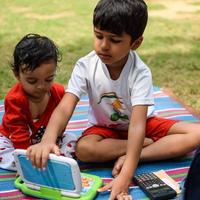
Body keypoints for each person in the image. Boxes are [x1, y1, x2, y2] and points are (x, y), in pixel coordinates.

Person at [27, 0, 200, 199]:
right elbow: (65, 107)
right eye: (98, 35)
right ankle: (147, 145)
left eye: (115, 40)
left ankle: (137, 153)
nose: (104, 46)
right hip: (105, 130)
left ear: (135, 43)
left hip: (142, 125)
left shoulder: (140, 73)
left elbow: (137, 125)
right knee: (83, 149)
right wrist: (48, 140)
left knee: (197, 133)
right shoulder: (85, 65)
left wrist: (127, 171)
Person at [0, 34, 76, 171]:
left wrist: (53, 141)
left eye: (48, 79)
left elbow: (60, 125)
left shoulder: (57, 92)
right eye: (32, 81)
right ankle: (43, 162)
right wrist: (26, 162)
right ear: (17, 74)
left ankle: (50, 158)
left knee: (72, 140)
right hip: (14, 141)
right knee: (3, 150)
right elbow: (18, 134)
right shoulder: (15, 100)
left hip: (46, 140)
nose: (41, 86)